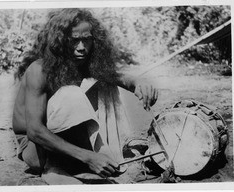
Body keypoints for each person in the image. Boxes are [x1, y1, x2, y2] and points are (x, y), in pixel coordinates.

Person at [13, 8, 158, 181]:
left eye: (87, 40)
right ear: (59, 41)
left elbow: (120, 77)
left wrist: (139, 84)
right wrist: (88, 157)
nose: (81, 48)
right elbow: (35, 131)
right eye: (74, 41)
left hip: (61, 138)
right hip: (36, 150)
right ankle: (58, 166)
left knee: (106, 83)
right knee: (71, 93)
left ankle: (101, 154)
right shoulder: (39, 70)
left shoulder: (83, 62)